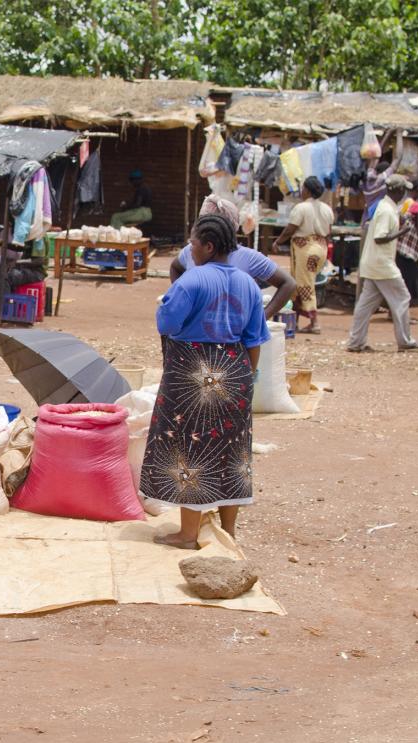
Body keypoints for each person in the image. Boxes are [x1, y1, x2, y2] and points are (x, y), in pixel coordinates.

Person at [142, 214, 272, 550]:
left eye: (193, 242)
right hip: (237, 370)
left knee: (191, 447)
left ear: (208, 246)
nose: (191, 248)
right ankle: (228, 533)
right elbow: (255, 339)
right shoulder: (248, 284)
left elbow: (166, 322)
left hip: (193, 373)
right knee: (232, 451)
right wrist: (249, 379)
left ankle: (188, 534)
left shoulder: (193, 280)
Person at [171, 195, 296, 319]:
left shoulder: (248, 258)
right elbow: (175, 267)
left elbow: (288, 283)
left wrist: (262, 317)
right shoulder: (192, 250)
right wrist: (180, 298)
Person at [346, 175, 418, 353]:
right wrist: (401, 232)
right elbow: (380, 237)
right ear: (397, 190)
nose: (404, 193)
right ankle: (405, 341)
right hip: (382, 264)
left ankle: (356, 342)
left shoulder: (386, 206)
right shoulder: (386, 210)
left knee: (365, 305)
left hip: (373, 263)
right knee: (402, 298)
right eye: (402, 189)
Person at [272, 177, 334, 333]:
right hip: (321, 248)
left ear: (307, 190)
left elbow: (290, 229)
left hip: (305, 249)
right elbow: (329, 231)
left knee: (305, 284)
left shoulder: (301, 208)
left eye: (303, 188)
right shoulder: (327, 209)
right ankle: (295, 321)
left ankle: (315, 323)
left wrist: (278, 242)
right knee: (298, 283)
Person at [394, 188, 418, 305]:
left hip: (402, 249)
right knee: (406, 285)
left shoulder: (406, 204)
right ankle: (398, 314)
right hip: (407, 252)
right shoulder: (415, 205)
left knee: (404, 284)